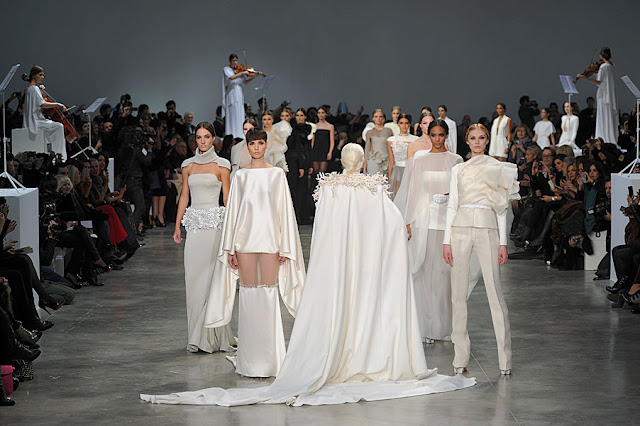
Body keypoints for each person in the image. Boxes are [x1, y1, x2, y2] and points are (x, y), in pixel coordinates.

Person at [141, 143, 475, 406]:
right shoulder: (370, 187)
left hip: (335, 265)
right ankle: (350, 354)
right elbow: (390, 225)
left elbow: (324, 230)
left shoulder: (332, 187)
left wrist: (323, 264)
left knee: (322, 307)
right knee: (353, 308)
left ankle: (295, 355)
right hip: (361, 265)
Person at [203, 128, 305, 378]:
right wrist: (229, 247)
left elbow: (284, 210)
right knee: (248, 294)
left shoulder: (277, 175)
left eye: (260, 143)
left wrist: (285, 244)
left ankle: (271, 360)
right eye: (252, 144)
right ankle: (249, 361)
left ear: (266, 144)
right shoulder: (240, 176)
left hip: (271, 240)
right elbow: (233, 212)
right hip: (245, 241)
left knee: (269, 293)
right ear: (247, 147)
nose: (257, 148)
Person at [443, 123, 519, 376]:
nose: (477, 141)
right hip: (460, 228)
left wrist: (503, 243)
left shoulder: (497, 167)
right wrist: (445, 241)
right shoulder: (458, 169)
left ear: (487, 140)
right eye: (473, 138)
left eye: (481, 137)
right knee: (457, 294)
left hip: (487, 227)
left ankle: (505, 360)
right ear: (467, 141)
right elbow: (452, 205)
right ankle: (459, 358)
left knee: (495, 292)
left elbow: (502, 208)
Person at [171, 122, 236, 353]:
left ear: (214, 139)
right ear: (195, 140)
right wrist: (177, 226)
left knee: (210, 281)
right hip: (194, 229)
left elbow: (228, 199)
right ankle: (196, 336)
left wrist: (232, 229)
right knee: (193, 279)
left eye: (207, 137)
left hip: (215, 229)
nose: (203, 141)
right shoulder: (187, 165)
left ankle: (210, 337)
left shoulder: (222, 165)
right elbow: (184, 197)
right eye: (199, 137)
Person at [397, 120, 463, 344]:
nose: (437, 139)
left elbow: (459, 192)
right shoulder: (420, 159)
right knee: (424, 272)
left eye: (441, 135)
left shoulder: (456, 160)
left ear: (446, 135)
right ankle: (426, 327)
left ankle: (445, 327)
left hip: (446, 221)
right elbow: (413, 190)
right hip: (423, 219)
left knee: (445, 275)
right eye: (433, 134)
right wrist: (408, 220)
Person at [22, 66, 68, 160]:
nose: (42, 77)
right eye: (40, 75)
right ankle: (58, 155)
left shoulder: (29, 89)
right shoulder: (34, 89)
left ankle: (52, 153)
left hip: (31, 119)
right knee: (59, 127)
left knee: (55, 126)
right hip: (35, 121)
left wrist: (40, 91)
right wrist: (57, 104)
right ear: (34, 76)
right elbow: (42, 104)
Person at [576, 47, 619, 146]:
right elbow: (604, 79)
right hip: (609, 94)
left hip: (603, 95)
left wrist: (584, 77)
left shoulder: (603, 66)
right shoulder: (611, 66)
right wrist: (595, 73)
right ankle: (609, 138)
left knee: (603, 117)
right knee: (608, 117)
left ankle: (604, 138)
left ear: (601, 55)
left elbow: (598, 81)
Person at [222, 54, 258, 139]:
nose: (235, 62)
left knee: (239, 112)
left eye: (236, 60)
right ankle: (232, 135)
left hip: (238, 92)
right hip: (231, 92)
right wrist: (242, 73)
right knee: (232, 113)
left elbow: (245, 82)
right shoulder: (226, 69)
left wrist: (255, 76)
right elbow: (231, 78)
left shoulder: (239, 70)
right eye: (233, 61)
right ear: (230, 61)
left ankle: (240, 134)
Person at [387, 113, 418, 198]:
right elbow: (391, 162)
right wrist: (389, 180)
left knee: (409, 196)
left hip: (411, 170)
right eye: (401, 123)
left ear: (409, 124)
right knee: (397, 195)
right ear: (398, 124)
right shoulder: (391, 140)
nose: (404, 126)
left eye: (406, 123)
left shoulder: (416, 140)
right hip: (397, 171)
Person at [364, 109, 393, 175]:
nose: (378, 119)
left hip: (386, 160)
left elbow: (392, 147)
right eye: (376, 117)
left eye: (380, 116)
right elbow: (367, 149)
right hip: (373, 160)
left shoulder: (389, 131)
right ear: (373, 118)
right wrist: (365, 165)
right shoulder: (369, 132)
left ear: (383, 118)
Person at [310, 106, 335, 174]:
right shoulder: (314, 126)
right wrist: (311, 151)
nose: (321, 115)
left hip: (325, 150)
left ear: (326, 114)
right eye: (319, 113)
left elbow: (332, 141)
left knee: (323, 170)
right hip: (316, 150)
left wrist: (330, 152)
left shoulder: (330, 126)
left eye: (322, 113)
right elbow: (312, 141)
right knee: (316, 170)